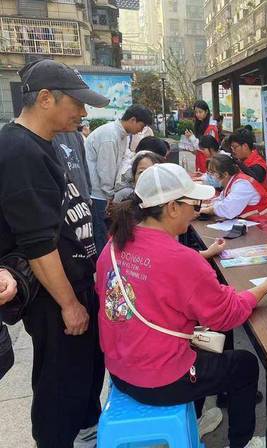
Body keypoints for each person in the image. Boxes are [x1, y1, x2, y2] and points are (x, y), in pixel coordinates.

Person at [96, 163, 267, 448]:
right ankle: (241, 443)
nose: (197, 211)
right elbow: (229, 315)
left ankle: (197, 418)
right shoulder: (180, 258)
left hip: (120, 370)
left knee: (208, 347)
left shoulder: (114, 245)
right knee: (245, 365)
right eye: (194, 204)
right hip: (159, 379)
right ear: (172, 207)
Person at [0, 58, 109, 447]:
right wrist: (69, 304)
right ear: (45, 98)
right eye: (77, 103)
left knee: (83, 370)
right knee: (60, 384)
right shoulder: (19, 150)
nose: (83, 113)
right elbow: (38, 243)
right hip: (53, 294)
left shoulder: (43, 144)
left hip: (74, 279)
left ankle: (86, 430)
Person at [86, 105, 154, 252]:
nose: (141, 131)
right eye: (141, 126)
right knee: (101, 234)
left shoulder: (122, 135)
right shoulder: (110, 136)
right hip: (97, 193)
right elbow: (106, 169)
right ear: (133, 120)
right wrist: (109, 195)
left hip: (104, 192)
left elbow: (123, 160)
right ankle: (103, 262)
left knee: (105, 232)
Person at [200, 154, 267, 244]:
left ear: (225, 174)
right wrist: (207, 206)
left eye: (212, 173)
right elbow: (220, 200)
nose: (211, 176)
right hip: (254, 230)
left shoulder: (242, 185)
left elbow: (227, 210)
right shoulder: (232, 182)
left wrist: (209, 209)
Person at [53, 131, 92, 204]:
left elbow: (84, 166)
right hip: (64, 202)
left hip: (83, 200)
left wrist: (88, 193)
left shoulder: (76, 134)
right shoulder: (48, 135)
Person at [185, 100, 219, 173]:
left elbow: (207, 148)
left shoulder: (211, 128)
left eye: (200, 112)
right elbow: (197, 148)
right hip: (200, 159)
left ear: (206, 112)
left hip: (209, 162)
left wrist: (192, 138)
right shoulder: (199, 125)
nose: (198, 114)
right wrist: (189, 139)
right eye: (196, 112)